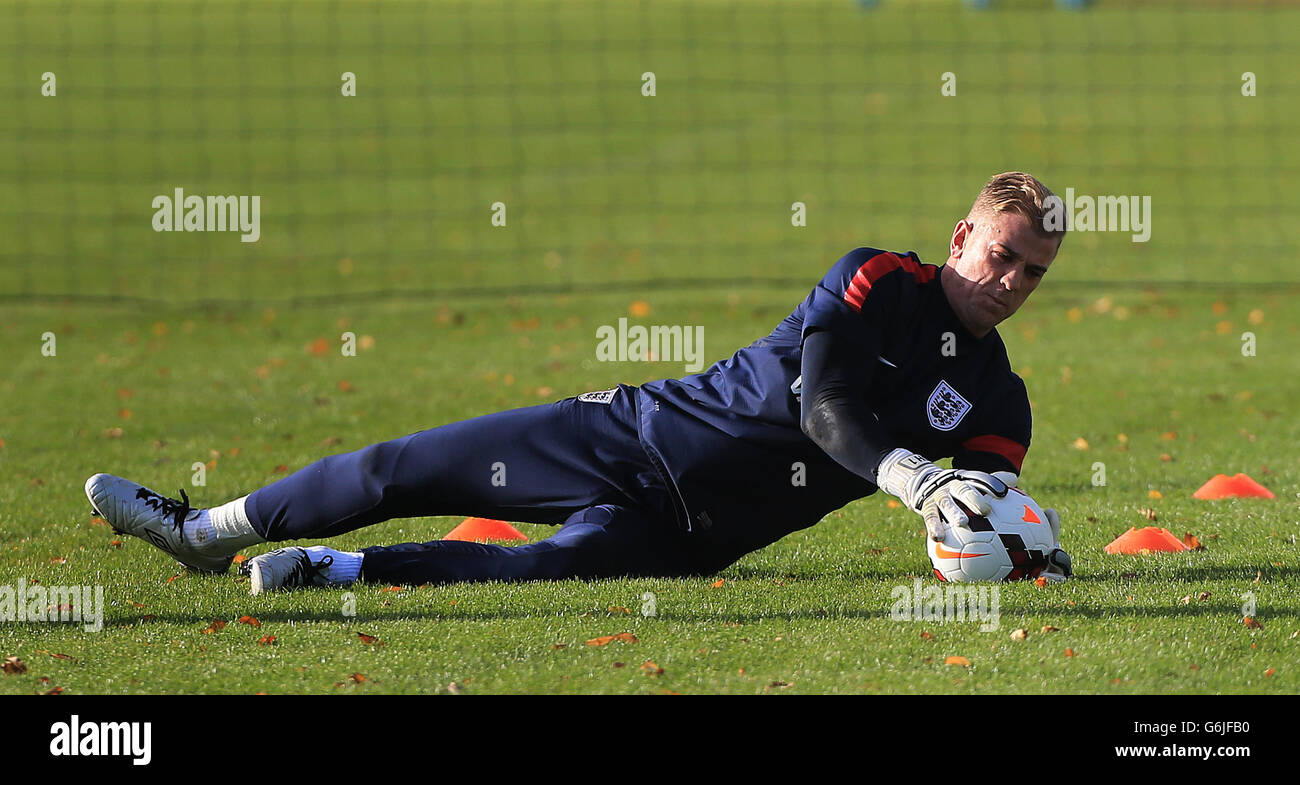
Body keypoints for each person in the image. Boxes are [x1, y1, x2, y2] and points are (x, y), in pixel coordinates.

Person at [85, 171, 1072, 595]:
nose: (1008, 280)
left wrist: (1023, 551)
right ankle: (202, 532)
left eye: (1031, 269)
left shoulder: (998, 395)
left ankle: (329, 573)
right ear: (960, 237)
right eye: (999, 253)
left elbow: (991, 507)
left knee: (537, 572)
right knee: (402, 466)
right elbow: (826, 408)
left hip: (694, 533)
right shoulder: (873, 280)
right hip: (633, 435)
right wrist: (908, 475)